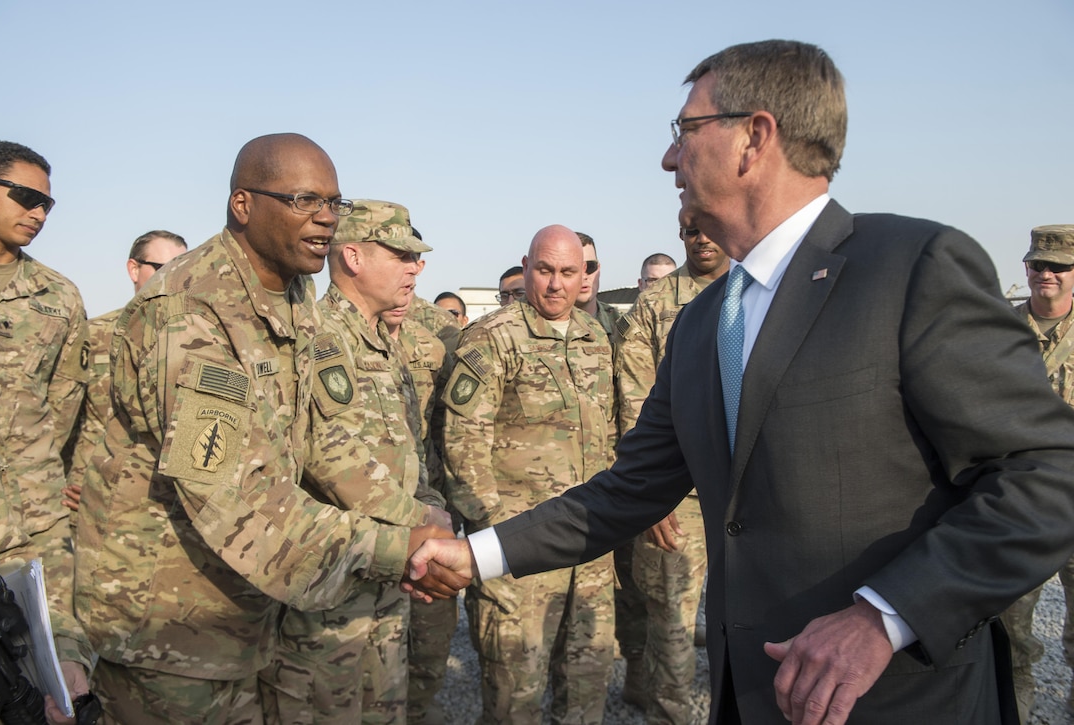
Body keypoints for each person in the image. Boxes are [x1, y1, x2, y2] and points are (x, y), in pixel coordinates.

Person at [407, 40, 1074, 725]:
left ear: (755, 137)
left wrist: (885, 615)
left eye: (685, 132)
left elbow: (1048, 472)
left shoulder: (909, 269)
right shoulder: (700, 324)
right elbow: (629, 489)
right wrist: (475, 553)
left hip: (900, 701)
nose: (669, 158)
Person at [73, 134, 454, 724]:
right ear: (243, 204)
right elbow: (233, 492)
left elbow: (321, 436)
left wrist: (414, 520)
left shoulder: (294, 293)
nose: (326, 218)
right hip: (170, 629)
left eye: (333, 201)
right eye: (304, 200)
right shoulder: (187, 310)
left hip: (253, 610)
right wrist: (395, 549)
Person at [260, 198, 450, 724]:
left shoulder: (383, 344)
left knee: (383, 709)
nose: (416, 267)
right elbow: (331, 456)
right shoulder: (321, 334)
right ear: (353, 257)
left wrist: (429, 506)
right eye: (401, 255)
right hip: (332, 586)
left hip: (387, 575)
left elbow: (409, 450)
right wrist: (422, 522)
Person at [442, 225, 617, 724]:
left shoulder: (594, 338)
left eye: (567, 272)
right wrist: (493, 546)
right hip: (519, 550)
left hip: (590, 547)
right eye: (544, 270)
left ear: (584, 274)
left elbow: (607, 438)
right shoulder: (493, 338)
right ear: (526, 267)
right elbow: (462, 444)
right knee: (513, 697)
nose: (556, 285)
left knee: (587, 686)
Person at [0, 140, 94, 723]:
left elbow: (63, 411)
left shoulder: (57, 297)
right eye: (26, 196)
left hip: (32, 516)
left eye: (48, 204)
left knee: (55, 679)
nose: (39, 212)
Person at [612, 222, 728, 723]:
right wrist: (652, 495)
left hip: (757, 493)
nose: (701, 239)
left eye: (710, 229)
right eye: (689, 230)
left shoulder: (763, 288)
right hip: (680, 498)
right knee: (672, 627)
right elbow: (635, 405)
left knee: (757, 620)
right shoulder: (655, 305)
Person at [1000, 223, 1074, 722]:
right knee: (1009, 638)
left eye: (1058, 267)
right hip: (1018, 504)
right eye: (1037, 265)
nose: (1045, 274)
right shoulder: (996, 329)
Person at [63, 230, 188, 513]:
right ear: (134, 269)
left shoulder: (196, 340)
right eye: (163, 268)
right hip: (91, 498)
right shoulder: (93, 335)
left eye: (181, 269)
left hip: (167, 504)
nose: (173, 278)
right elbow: (63, 415)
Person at [382, 293, 459, 725]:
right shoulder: (321, 327)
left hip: (428, 510)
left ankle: (418, 709)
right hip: (362, 525)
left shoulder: (438, 335)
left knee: (432, 639)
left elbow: (455, 423)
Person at [574, 231, 622, 339]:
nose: (584, 276)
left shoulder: (619, 323)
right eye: (575, 269)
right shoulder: (545, 323)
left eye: (590, 267)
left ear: (598, 268)